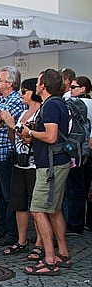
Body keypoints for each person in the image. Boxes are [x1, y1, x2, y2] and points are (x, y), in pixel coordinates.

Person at [21, 69, 73, 275]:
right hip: (57, 161)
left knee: (38, 210)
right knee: (54, 209)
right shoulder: (57, 103)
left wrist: (31, 131)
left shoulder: (51, 105)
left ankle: (50, 260)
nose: (36, 85)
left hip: (51, 164)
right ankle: (63, 253)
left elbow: (51, 137)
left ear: (43, 86)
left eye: (39, 81)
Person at [0, 78, 43, 257]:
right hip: (19, 162)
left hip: (34, 164)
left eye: (24, 91)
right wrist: (12, 128)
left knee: (37, 207)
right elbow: (16, 138)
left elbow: (30, 138)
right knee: (19, 204)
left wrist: (12, 125)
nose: (21, 94)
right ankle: (22, 240)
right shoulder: (24, 113)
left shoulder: (40, 112)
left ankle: (40, 243)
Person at [0, 66, 27, 247]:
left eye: (0, 80)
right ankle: (1, 224)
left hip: (5, 152)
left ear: (10, 83)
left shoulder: (16, 99)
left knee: (9, 194)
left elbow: (0, 119)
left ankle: (12, 230)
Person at [63, 75, 92, 235]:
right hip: (87, 148)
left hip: (77, 149)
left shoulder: (77, 103)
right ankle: (83, 221)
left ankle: (75, 223)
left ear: (83, 88)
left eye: (73, 87)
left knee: (75, 188)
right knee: (84, 186)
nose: (70, 90)